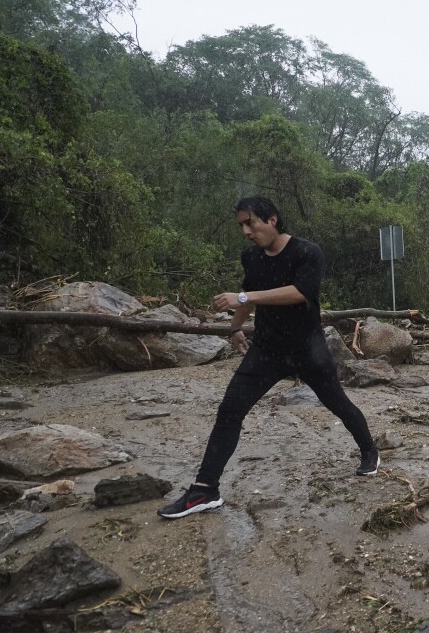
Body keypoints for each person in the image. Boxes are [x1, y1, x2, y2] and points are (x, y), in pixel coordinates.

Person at [159, 196, 379, 519]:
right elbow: (248, 294)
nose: (247, 231)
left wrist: (244, 297)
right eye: (242, 226)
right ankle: (205, 489)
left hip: (308, 350)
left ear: (273, 219)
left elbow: (300, 292)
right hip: (267, 350)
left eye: (252, 223)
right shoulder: (251, 257)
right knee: (230, 410)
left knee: (338, 403)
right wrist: (235, 328)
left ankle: (370, 452)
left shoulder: (307, 252)